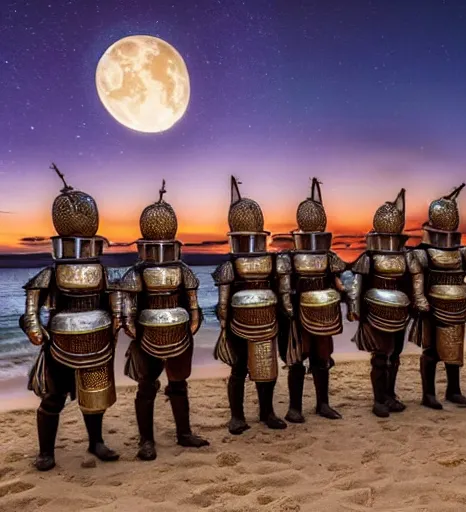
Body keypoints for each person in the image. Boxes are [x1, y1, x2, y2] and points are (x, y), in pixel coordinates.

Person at [20, 164, 120, 471]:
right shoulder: (48, 274)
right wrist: (35, 330)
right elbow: (30, 310)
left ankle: (96, 442)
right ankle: (46, 452)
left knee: (95, 396)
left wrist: (116, 323)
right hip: (59, 344)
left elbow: (116, 304)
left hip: (97, 341)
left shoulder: (104, 273)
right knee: (52, 398)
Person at [120, 181, 209, 461]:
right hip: (147, 334)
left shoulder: (183, 271)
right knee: (146, 386)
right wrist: (133, 330)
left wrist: (192, 323)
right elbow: (128, 308)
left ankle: (184, 433)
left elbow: (193, 303)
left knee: (179, 384)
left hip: (179, 333)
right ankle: (146, 441)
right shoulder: (136, 273)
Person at [212, 176, 287, 435]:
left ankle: (267, 412)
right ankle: (237, 416)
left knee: (266, 366)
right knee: (239, 367)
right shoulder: (232, 264)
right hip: (240, 323)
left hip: (265, 319)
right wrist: (224, 322)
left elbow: (281, 290)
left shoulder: (267, 262)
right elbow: (223, 302)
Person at [348, 189, 429, 417]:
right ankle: (379, 399)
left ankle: (390, 394)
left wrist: (419, 301)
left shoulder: (407, 257)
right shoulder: (369, 257)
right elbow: (357, 284)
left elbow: (416, 280)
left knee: (395, 355)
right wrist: (354, 308)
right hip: (376, 309)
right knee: (380, 356)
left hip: (400, 310)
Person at [277, 178, 347, 423]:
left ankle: (323, 404)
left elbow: (337, 280)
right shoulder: (288, 257)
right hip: (298, 312)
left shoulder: (329, 256)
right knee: (296, 359)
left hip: (325, 310)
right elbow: (284, 287)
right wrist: (287, 309)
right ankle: (295, 407)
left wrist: (347, 294)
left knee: (322, 359)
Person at [408, 184, 466, 409]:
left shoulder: (463, 253)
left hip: (458, 305)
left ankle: (453, 391)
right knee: (430, 351)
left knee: (454, 349)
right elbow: (417, 279)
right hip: (431, 306)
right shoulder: (422, 253)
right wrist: (420, 300)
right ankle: (428, 394)